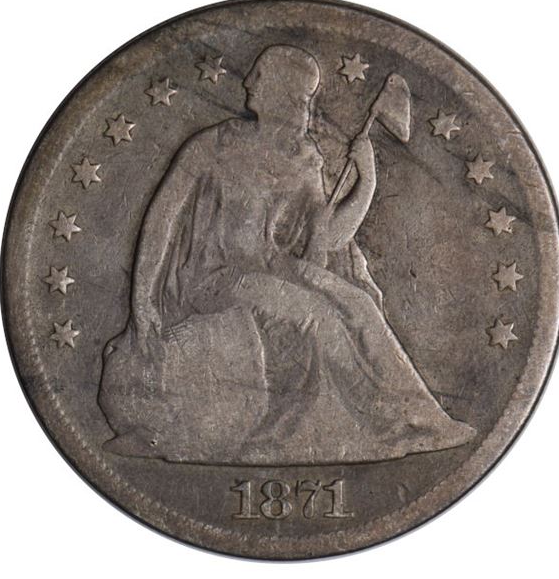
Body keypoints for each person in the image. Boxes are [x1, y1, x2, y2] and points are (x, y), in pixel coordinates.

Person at [98, 44, 475, 464]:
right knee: (318, 317)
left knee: (359, 304)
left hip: (275, 267)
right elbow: (161, 219)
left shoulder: (304, 157)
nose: (248, 82)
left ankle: (422, 420)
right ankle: (378, 427)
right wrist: (143, 301)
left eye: (260, 76)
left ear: (285, 93)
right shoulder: (214, 145)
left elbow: (326, 239)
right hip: (214, 277)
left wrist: (365, 182)